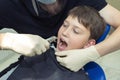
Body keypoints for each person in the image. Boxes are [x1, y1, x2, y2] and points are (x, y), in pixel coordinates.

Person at [0, 0, 120, 72]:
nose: (65, 32)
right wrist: (7, 40)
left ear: (89, 43)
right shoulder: (8, 5)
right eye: (64, 25)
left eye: (76, 31)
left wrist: (92, 52)